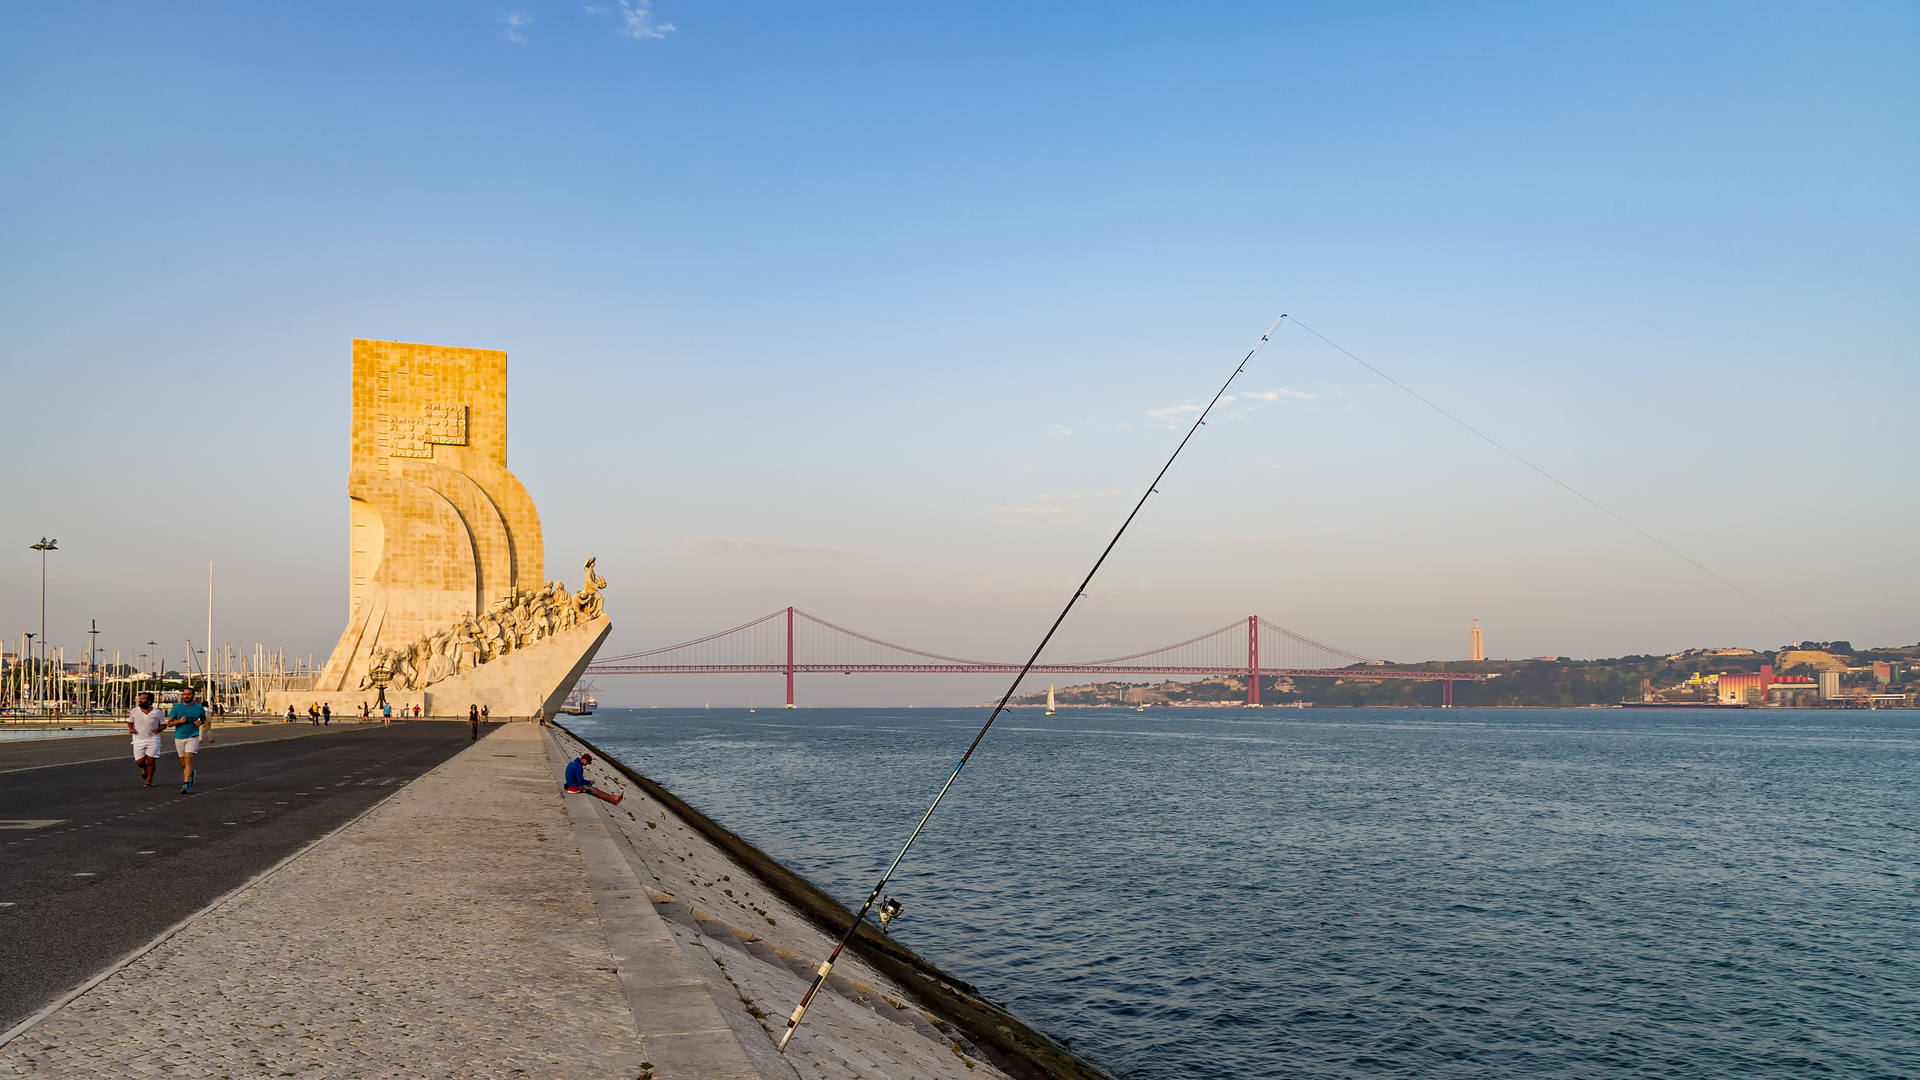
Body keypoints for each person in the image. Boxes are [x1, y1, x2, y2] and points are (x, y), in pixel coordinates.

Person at [167, 687, 208, 793]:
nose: (186, 696)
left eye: (189, 694)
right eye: (184, 694)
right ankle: (191, 773)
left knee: (188, 759)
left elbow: (203, 718)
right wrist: (179, 721)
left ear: (193, 696)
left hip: (193, 736)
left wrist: (201, 722)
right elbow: (169, 723)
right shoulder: (177, 708)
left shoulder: (198, 708)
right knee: (183, 763)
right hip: (179, 737)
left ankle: (185, 785)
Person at [129, 692, 167, 787]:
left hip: (153, 739)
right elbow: (130, 721)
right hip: (138, 739)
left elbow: (164, 724)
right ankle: (144, 768)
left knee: (151, 760)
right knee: (139, 762)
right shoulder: (134, 711)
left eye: (143, 699)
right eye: (140, 698)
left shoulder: (157, 712)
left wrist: (158, 730)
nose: (140, 700)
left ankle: (149, 780)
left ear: (149, 701)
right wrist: (131, 728)